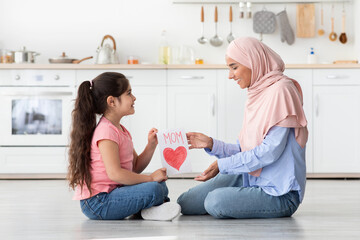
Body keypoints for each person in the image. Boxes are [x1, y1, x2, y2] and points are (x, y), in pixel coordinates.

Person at [177, 37, 308, 219]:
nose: (230, 75)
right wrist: (211, 144)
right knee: (185, 202)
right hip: (250, 177)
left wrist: (222, 165)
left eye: (234, 67)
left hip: (279, 193)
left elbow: (269, 152)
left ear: (253, 62)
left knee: (214, 201)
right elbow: (244, 150)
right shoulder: (256, 92)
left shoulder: (282, 90)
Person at [67, 72, 180, 221]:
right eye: (129, 93)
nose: (134, 98)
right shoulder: (106, 132)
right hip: (99, 203)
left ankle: (148, 210)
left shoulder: (120, 130)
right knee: (154, 188)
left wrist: (151, 145)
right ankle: (149, 210)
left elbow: (134, 167)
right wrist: (150, 178)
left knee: (160, 186)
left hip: (115, 192)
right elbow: (115, 174)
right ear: (112, 101)